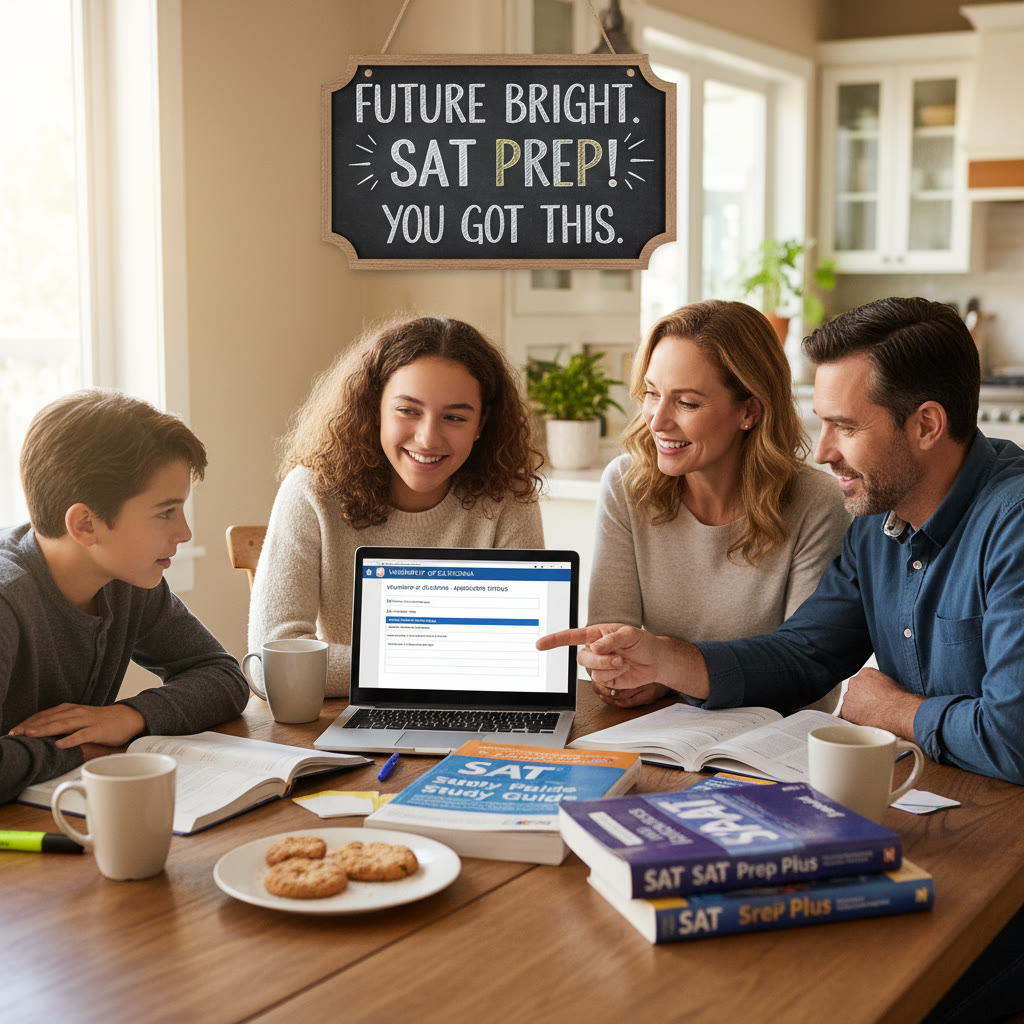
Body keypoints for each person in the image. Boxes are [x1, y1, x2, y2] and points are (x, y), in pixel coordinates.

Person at [539, 295, 1024, 1022]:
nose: (823, 450)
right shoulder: (877, 522)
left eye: (844, 426)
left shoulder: (1011, 522)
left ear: (926, 424)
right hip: (925, 823)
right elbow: (803, 655)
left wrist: (890, 707)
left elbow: (1014, 738)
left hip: (1000, 868)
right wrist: (666, 657)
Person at [249, 314, 545, 697]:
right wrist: (452, 662)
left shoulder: (507, 493)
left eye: (454, 417)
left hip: (471, 717)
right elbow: (270, 666)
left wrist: (377, 664)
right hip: (341, 722)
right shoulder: (312, 490)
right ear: (375, 408)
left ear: (481, 424)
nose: (427, 438)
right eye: (408, 410)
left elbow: (523, 658)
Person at [588, 300, 849, 712]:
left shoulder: (817, 503)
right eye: (652, 394)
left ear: (749, 410)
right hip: (660, 732)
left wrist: (668, 670)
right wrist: (615, 670)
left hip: (771, 741)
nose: (656, 421)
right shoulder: (626, 484)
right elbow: (611, 643)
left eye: (687, 403)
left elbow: (806, 673)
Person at [0, 389, 249, 804]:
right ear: (85, 524)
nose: (184, 533)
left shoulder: (126, 581)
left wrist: (129, 716)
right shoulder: (8, 602)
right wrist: (75, 749)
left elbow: (222, 676)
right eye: (165, 512)